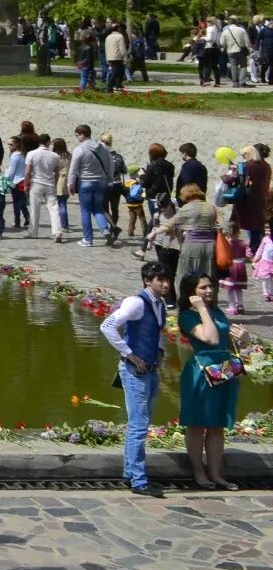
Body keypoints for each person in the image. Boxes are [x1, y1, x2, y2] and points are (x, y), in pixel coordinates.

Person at [100, 262, 173, 498]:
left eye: (167, 279)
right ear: (147, 281)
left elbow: (157, 333)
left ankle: (131, 473)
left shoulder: (159, 304)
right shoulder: (136, 302)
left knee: (141, 423)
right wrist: (128, 353)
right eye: (160, 280)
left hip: (150, 370)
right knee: (139, 425)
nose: (165, 284)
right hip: (134, 371)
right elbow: (108, 326)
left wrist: (160, 353)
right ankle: (139, 480)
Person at [177, 273, 242, 490]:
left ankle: (215, 473)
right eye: (203, 288)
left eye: (210, 287)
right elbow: (211, 338)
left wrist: (244, 339)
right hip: (202, 371)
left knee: (217, 425)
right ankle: (198, 470)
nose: (209, 291)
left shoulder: (218, 312)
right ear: (191, 293)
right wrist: (202, 309)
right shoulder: (188, 316)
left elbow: (225, 341)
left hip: (224, 370)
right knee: (197, 424)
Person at [172, 185, 221, 297]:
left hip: (191, 245)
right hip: (209, 245)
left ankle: (187, 301)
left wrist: (153, 233)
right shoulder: (211, 207)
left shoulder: (186, 208)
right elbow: (219, 225)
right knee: (209, 274)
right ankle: (209, 301)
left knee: (185, 274)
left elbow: (171, 224)